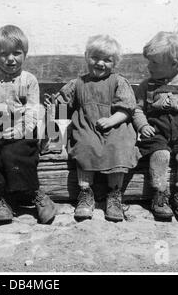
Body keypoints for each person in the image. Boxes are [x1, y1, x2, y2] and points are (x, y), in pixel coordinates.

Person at [45, 35, 140, 222]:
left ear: (115, 63)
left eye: (107, 60)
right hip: (87, 125)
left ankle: (114, 195)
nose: (100, 63)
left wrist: (112, 120)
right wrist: (54, 104)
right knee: (85, 144)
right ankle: (86, 193)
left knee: (119, 145)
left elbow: (127, 109)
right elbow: (63, 102)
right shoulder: (78, 83)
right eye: (95, 57)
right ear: (87, 57)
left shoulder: (119, 81)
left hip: (115, 126)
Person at [0, 24, 57, 224]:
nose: (10, 59)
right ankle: (4, 198)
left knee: (15, 155)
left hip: (23, 126)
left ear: (25, 55)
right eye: (4, 54)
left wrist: (22, 130)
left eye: (16, 53)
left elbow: (32, 110)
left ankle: (36, 194)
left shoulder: (29, 80)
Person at [133, 31, 178, 223]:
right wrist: (142, 125)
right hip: (156, 133)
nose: (149, 66)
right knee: (160, 155)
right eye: (149, 61)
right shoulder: (146, 86)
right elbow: (137, 109)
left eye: (154, 63)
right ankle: (159, 195)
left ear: (174, 64)